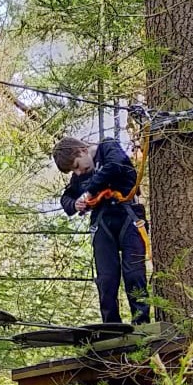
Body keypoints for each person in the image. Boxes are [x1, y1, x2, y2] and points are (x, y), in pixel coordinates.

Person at [53, 136, 150, 325]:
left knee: (134, 273)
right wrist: (76, 204)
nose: (78, 172)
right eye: (74, 170)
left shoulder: (108, 147)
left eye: (77, 165)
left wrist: (89, 192)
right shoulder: (81, 176)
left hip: (128, 214)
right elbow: (66, 200)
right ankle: (111, 325)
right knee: (106, 278)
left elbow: (116, 166)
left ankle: (142, 322)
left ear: (81, 150)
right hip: (103, 220)